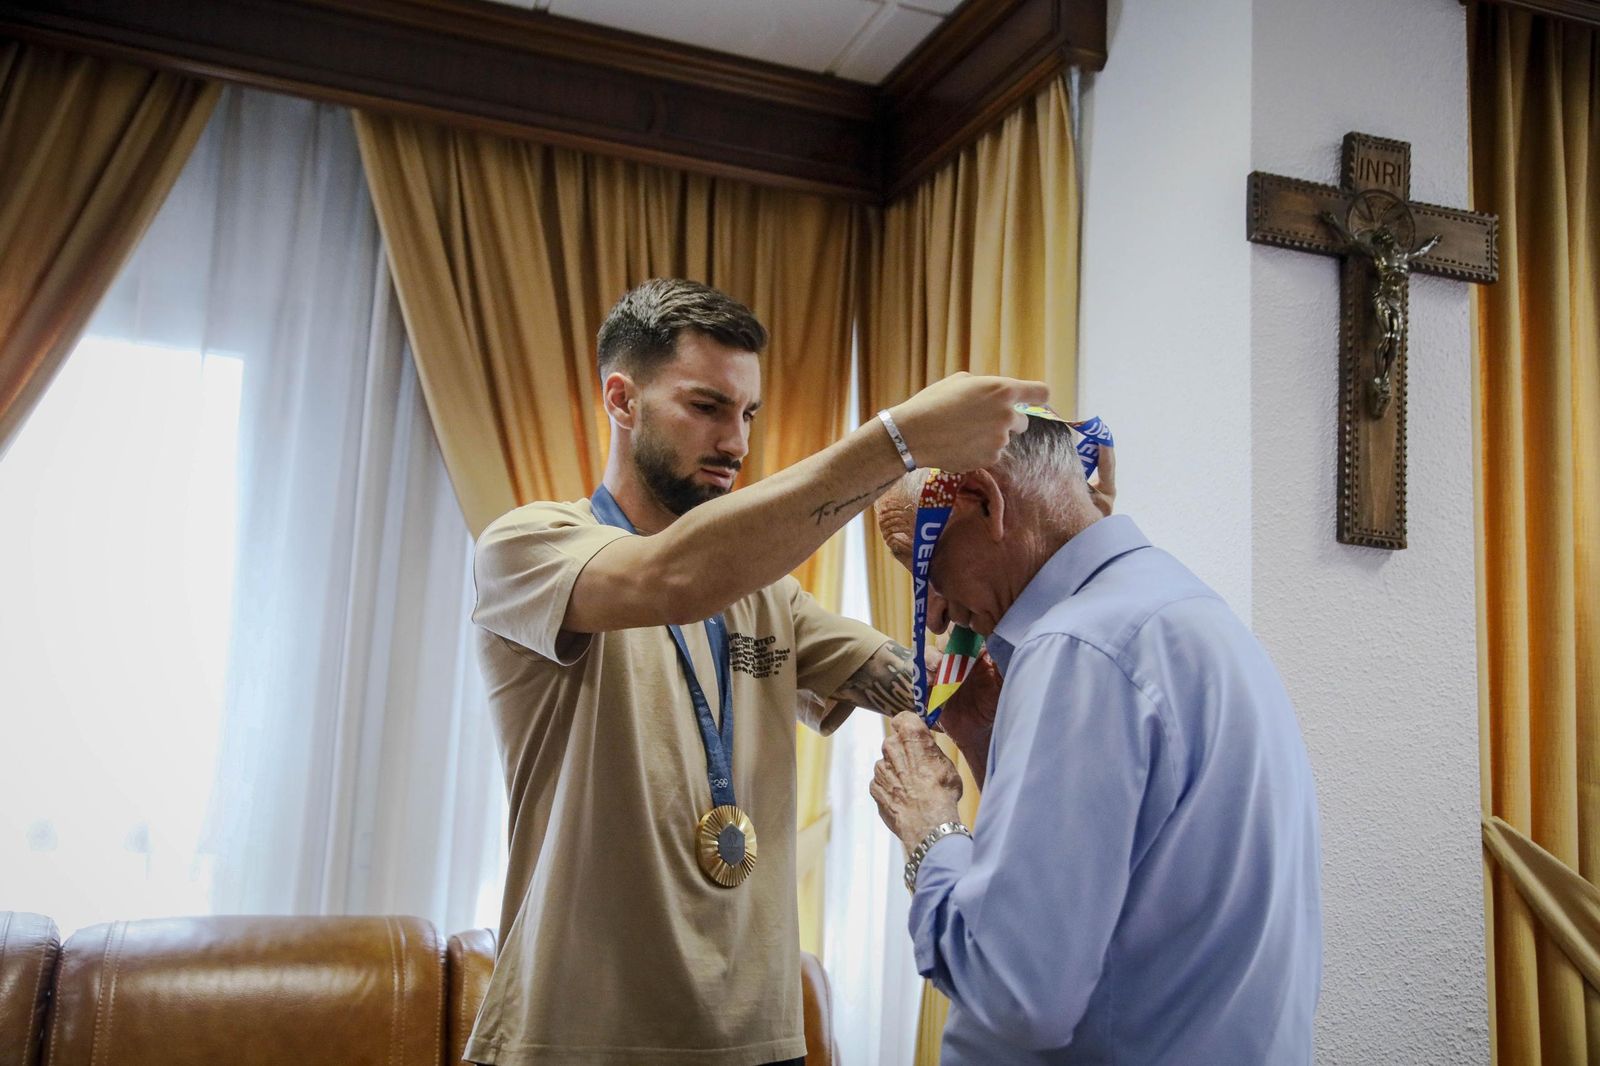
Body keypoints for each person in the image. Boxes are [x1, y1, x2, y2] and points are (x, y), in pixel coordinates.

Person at [464, 277, 1048, 1066]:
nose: (736, 443)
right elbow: (673, 579)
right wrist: (898, 442)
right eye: (706, 407)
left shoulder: (767, 594)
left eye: (747, 415)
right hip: (580, 1036)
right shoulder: (528, 546)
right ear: (622, 399)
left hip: (757, 1039)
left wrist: (990, 610)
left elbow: (927, 681)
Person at [869, 413, 1322, 1064]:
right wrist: (986, 747)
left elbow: (1016, 997)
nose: (934, 610)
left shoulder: (1079, 649)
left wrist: (929, 830)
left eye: (925, 565)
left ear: (981, 501)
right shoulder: (1180, 612)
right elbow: (1103, 889)